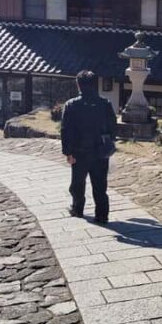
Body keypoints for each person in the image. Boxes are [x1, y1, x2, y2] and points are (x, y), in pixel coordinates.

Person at [60, 70, 117, 222]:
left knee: (77, 183)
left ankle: (77, 209)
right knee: (100, 185)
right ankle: (102, 215)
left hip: (79, 151)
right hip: (100, 151)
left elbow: (66, 130)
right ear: (95, 84)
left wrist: (68, 152)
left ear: (78, 84)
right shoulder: (105, 104)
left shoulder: (71, 105)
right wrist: (109, 143)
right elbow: (113, 127)